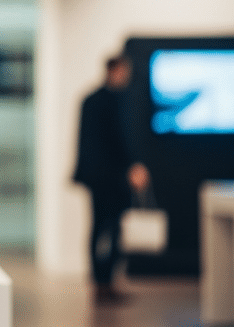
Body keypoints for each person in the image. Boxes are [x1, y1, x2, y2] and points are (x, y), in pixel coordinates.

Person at [73, 54, 150, 304]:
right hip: (112, 178)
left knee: (98, 227)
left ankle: (100, 282)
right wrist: (132, 166)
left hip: (96, 177)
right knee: (112, 228)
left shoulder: (90, 100)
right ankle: (105, 282)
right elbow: (118, 141)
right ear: (116, 70)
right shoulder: (115, 101)